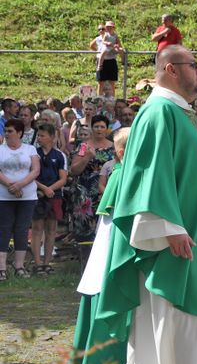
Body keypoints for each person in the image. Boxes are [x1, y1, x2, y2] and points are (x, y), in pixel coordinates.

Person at [95, 45, 197, 364]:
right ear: (171, 69)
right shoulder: (159, 112)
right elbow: (148, 176)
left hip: (191, 238)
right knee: (170, 329)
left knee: (185, 332)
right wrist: (167, 227)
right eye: (194, 65)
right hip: (172, 245)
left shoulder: (182, 113)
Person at [73, 127, 131, 364]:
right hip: (113, 254)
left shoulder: (129, 173)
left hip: (119, 252)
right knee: (105, 313)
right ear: (121, 152)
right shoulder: (122, 175)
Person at [0, 119, 40, 281]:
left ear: (19, 133)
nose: (7, 134)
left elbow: (35, 170)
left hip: (27, 196)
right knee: (4, 229)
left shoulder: (30, 149)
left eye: (10, 131)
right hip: (4, 196)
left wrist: (21, 185)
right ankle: (1, 268)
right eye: (6, 131)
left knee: (22, 229)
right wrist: (11, 185)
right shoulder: (1, 149)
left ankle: (19, 266)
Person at [69, 114, 114, 242]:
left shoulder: (113, 147)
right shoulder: (84, 147)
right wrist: (88, 157)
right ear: (91, 128)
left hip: (105, 190)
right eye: (96, 126)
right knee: (85, 228)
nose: (99, 129)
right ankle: (84, 257)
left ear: (107, 129)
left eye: (102, 126)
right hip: (85, 192)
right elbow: (74, 170)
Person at [31, 123, 67, 277]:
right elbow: (30, 175)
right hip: (36, 194)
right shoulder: (33, 154)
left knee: (51, 230)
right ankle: (37, 263)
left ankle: (47, 262)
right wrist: (43, 189)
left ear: (52, 137)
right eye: (38, 135)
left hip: (54, 196)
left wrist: (50, 189)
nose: (39, 138)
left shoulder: (60, 155)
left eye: (42, 135)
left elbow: (63, 178)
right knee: (37, 229)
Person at [96, 21, 123, 97]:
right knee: (101, 81)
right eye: (107, 27)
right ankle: (100, 99)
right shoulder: (104, 36)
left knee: (112, 82)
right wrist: (107, 43)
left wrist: (118, 47)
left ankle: (112, 99)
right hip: (104, 57)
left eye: (110, 27)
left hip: (111, 59)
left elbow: (119, 44)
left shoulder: (115, 36)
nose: (108, 28)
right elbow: (100, 43)